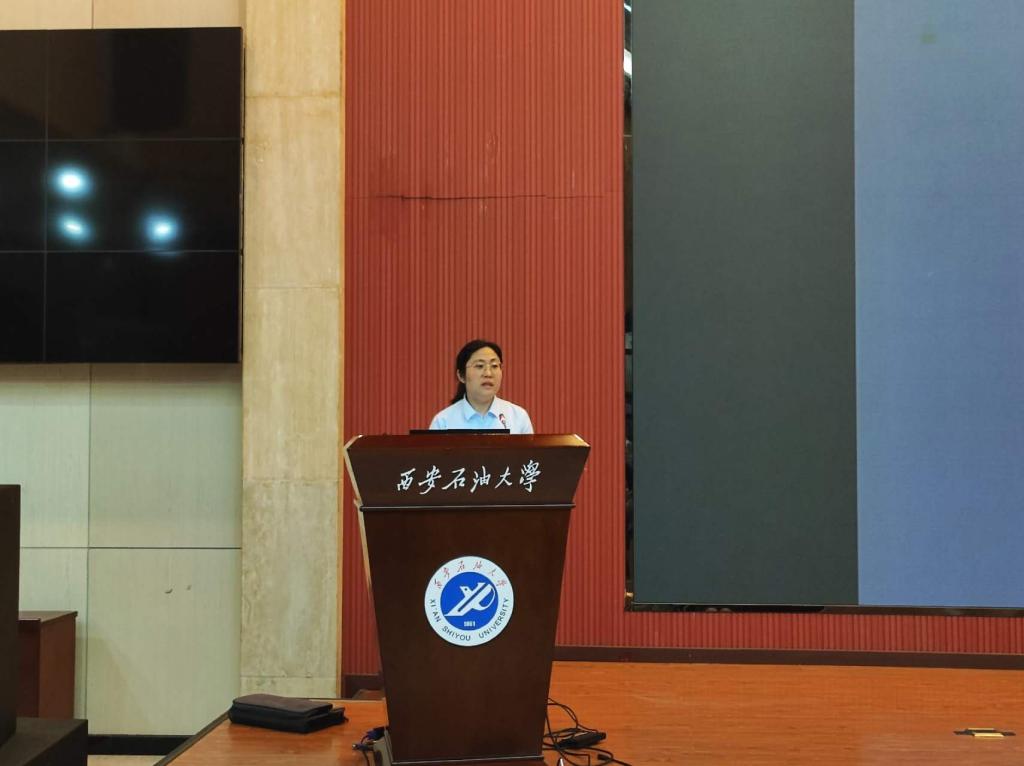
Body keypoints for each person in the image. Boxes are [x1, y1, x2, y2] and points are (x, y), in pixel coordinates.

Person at [429, 339, 534, 433]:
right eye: (479, 366)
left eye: (494, 366)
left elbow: (530, 450)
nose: (488, 373)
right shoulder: (443, 422)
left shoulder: (518, 418)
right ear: (461, 375)